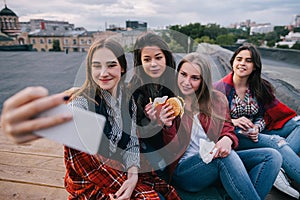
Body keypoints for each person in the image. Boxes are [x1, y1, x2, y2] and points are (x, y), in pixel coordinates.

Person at [1, 38, 180, 199]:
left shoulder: (127, 99)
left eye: (111, 65)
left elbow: (132, 142)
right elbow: (66, 123)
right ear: (89, 68)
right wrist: (28, 121)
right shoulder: (81, 104)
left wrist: (133, 175)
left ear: (122, 67)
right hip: (92, 181)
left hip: (124, 168)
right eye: (96, 66)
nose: (103, 73)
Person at [160, 52, 282, 200]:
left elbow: (227, 128)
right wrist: (167, 125)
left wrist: (227, 139)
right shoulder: (171, 104)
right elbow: (172, 151)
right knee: (223, 156)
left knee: (272, 157)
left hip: (214, 160)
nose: (186, 82)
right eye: (183, 74)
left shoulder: (217, 99)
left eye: (195, 78)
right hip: (186, 170)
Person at [214, 43, 300, 199]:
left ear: (254, 66)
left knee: (298, 123)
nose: (242, 63)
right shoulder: (219, 89)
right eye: (239, 59)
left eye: (248, 60)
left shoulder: (260, 87)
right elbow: (210, 121)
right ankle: (284, 165)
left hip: (254, 133)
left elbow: (264, 115)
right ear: (232, 62)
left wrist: (256, 128)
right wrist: (233, 121)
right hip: (233, 135)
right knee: (276, 142)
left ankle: (281, 168)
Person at [130, 31, 178, 179]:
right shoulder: (134, 91)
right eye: (147, 59)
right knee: (161, 168)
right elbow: (135, 134)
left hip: (175, 139)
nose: (153, 64)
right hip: (146, 145)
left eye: (158, 58)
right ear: (140, 63)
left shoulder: (176, 82)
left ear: (166, 58)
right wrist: (153, 123)